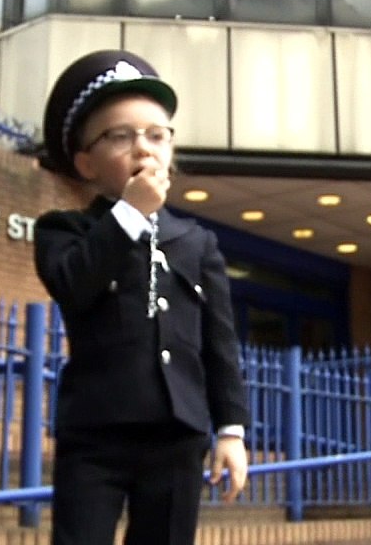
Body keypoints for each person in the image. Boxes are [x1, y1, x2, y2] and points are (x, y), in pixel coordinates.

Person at [34, 49, 250, 545]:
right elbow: (72, 283)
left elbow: (221, 345)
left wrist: (231, 432)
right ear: (86, 161)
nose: (143, 148)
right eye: (120, 136)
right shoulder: (65, 230)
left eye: (157, 135)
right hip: (96, 432)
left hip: (177, 433)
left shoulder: (197, 242)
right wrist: (129, 213)